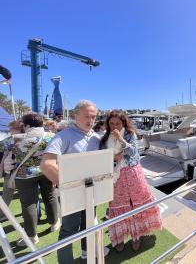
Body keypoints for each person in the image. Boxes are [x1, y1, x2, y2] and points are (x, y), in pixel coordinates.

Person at [40, 100, 109, 263]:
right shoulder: (64, 136)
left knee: (89, 224)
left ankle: (87, 251)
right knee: (69, 230)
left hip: (92, 191)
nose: (91, 120)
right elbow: (46, 164)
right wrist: (69, 185)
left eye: (94, 117)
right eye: (87, 116)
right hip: (72, 193)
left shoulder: (96, 137)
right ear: (75, 115)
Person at [99, 110, 162, 252]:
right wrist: (113, 158)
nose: (114, 125)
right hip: (116, 176)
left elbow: (134, 151)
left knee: (136, 204)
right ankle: (119, 237)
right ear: (108, 124)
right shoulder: (104, 139)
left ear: (123, 123)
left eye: (118, 123)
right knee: (117, 205)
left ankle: (136, 236)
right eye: (112, 123)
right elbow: (102, 157)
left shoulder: (129, 134)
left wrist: (121, 140)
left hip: (132, 173)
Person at [12, 113, 59, 246]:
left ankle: (32, 236)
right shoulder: (51, 136)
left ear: (26, 125)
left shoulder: (16, 138)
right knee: (50, 196)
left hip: (24, 174)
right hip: (46, 170)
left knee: (29, 204)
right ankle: (54, 223)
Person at [0, 120, 24, 222]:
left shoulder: (10, 140)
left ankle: (2, 214)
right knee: (8, 194)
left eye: (11, 129)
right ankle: (2, 214)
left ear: (18, 129)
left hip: (17, 172)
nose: (9, 131)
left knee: (8, 194)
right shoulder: (9, 140)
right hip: (16, 172)